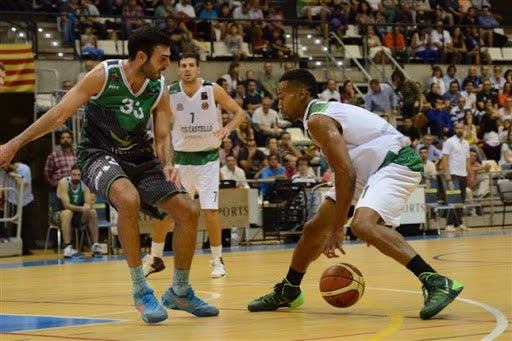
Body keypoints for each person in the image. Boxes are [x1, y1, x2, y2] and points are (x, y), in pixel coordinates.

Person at [0, 26, 219, 324]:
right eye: (163, 58)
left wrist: (168, 162)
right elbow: (58, 115)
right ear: (142, 56)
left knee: (189, 211)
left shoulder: (158, 87)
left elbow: (164, 135)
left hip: (140, 157)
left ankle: (179, 290)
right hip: (97, 153)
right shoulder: (104, 75)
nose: (168, 64)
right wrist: (14, 143)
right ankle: (140, 288)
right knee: (127, 200)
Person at [247, 69, 464, 320]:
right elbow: (348, 172)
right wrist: (333, 223)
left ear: (302, 94)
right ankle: (289, 288)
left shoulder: (318, 119)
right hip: (367, 167)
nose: (279, 102)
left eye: (283, 95)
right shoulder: (319, 116)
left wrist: (339, 228)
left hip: (394, 162)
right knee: (314, 229)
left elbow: (346, 175)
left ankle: (436, 281)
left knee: (361, 225)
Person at [145, 52, 245, 279]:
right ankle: (155, 258)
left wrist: (228, 129)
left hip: (207, 159)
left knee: (210, 211)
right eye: (183, 65)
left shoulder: (212, 90)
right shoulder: (169, 93)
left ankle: (218, 260)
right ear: (178, 69)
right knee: (166, 211)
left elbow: (239, 112)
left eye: (191, 65)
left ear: (198, 69)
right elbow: (162, 127)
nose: (187, 68)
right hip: (180, 161)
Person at [52, 164, 101, 259]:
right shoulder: (64, 183)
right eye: (74, 175)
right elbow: (66, 205)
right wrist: (82, 208)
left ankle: (95, 246)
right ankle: (68, 247)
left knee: (92, 212)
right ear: (70, 174)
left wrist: (87, 207)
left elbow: (88, 203)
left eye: (79, 175)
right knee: (67, 213)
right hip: (58, 215)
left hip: (76, 215)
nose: (76, 177)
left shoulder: (84, 184)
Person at [441, 122, 471, 232]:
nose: (459, 130)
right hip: (453, 174)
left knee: (461, 200)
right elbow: (445, 158)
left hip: (463, 174)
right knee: (452, 199)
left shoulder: (466, 143)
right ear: (454, 129)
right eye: (457, 128)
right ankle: (449, 223)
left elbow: (467, 160)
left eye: (461, 128)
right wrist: (447, 174)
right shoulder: (449, 142)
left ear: (464, 129)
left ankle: (459, 223)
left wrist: (470, 173)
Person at [2, 159, 35, 255]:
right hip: (12, 200)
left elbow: (23, 184)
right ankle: (12, 249)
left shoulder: (25, 169)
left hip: (26, 200)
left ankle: (26, 249)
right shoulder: (4, 171)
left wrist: (13, 174)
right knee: (12, 225)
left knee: (26, 226)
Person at [44, 129, 78, 194]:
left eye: (68, 137)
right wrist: (55, 184)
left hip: (76, 188)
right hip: (60, 189)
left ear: (72, 140)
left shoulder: (77, 153)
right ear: (60, 140)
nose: (65, 139)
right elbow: (47, 173)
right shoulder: (54, 155)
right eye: (63, 138)